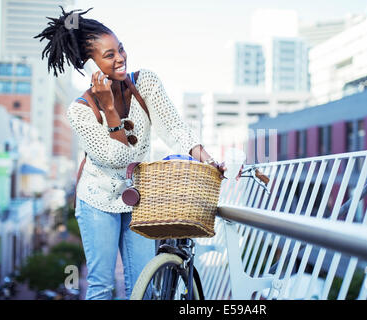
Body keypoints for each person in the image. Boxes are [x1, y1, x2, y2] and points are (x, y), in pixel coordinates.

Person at [35, 7, 226, 300]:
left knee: (142, 285)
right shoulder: (80, 110)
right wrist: (109, 108)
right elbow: (117, 158)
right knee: (101, 285)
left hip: (138, 198)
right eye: (109, 55)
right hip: (97, 199)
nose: (120, 58)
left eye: (120, 49)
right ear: (90, 65)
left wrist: (208, 160)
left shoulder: (145, 82)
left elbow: (175, 128)